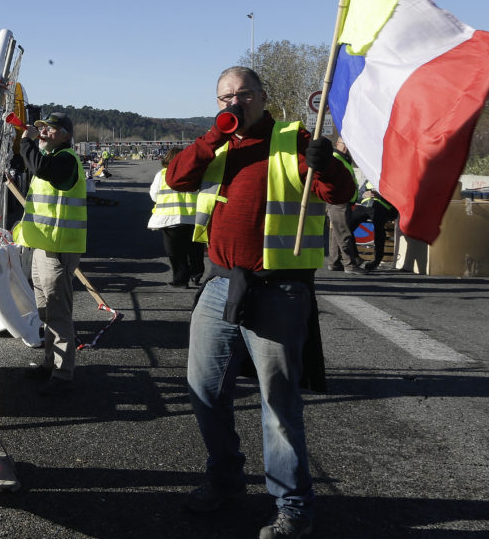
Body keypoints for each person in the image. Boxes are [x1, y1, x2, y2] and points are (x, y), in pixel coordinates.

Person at [166, 66, 355, 538]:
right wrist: (215, 134)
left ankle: (293, 507)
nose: (234, 102)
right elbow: (177, 177)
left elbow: (340, 192)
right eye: (225, 96)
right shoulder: (216, 143)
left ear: (263, 97)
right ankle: (225, 478)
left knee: (277, 402)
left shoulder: (293, 139)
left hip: (278, 287)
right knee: (205, 390)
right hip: (220, 283)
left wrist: (327, 163)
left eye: (244, 94)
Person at [12, 112, 87, 397]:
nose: (43, 132)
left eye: (50, 129)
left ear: (65, 135)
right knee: (45, 312)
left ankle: (62, 375)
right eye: (41, 127)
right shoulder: (53, 157)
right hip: (43, 247)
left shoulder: (66, 160)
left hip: (58, 249)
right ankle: (49, 364)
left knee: (58, 314)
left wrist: (26, 142)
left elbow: (41, 168)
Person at [148, 147, 205, 288]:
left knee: (176, 253)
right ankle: (196, 274)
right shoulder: (196, 173)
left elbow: (154, 195)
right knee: (195, 250)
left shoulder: (162, 174)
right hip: (194, 218)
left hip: (170, 219)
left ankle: (181, 280)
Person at [325, 138, 364, 274]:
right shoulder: (336, 158)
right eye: (344, 144)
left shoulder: (343, 159)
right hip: (339, 202)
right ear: (337, 144)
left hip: (342, 201)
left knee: (337, 233)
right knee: (344, 234)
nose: (347, 147)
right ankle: (350, 265)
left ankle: (334, 262)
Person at [348, 179, 398, 271]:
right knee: (347, 227)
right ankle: (355, 257)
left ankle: (376, 260)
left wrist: (380, 197)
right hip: (364, 207)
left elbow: (396, 199)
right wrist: (364, 195)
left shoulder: (391, 178)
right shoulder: (369, 177)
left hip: (381, 207)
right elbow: (358, 196)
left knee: (379, 229)